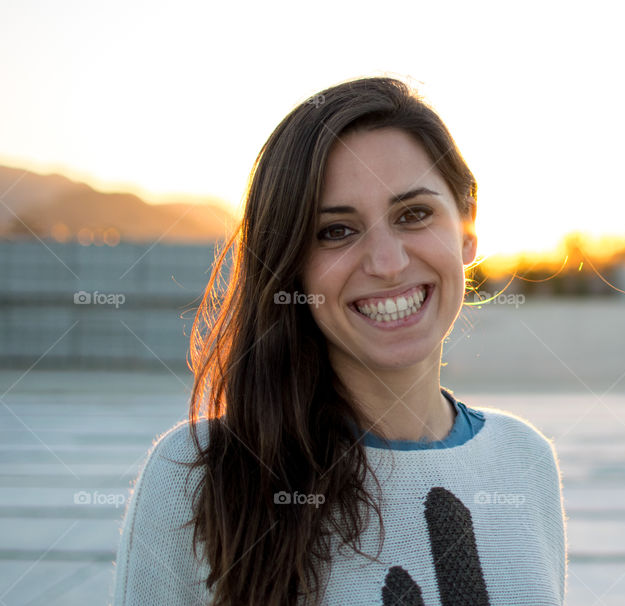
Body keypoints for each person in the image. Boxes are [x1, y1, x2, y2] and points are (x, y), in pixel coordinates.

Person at [112, 76, 567, 605]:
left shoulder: (526, 459)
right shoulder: (197, 477)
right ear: (291, 270)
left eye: (413, 214)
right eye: (335, 231)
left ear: (466, 232)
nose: (387, 263)